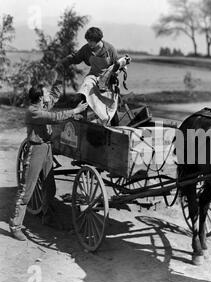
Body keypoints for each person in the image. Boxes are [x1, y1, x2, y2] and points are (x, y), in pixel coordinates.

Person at [9, 74, 88, 241]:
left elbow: (55, 94)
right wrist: (75, 111)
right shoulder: (33, 112)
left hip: (46, 149)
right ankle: (15, 226)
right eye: (44, 93)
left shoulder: (43, 104)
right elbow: (54, 117)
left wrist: (61, 74)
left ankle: (47, 217)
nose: (47, 96)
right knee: (26, 191)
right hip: (35, 150)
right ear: (39, 97)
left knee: (49, 187)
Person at [58, 27, 129, 126]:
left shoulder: (110, 49)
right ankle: (82, 122)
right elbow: (75, 58)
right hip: (93, 75)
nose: (89, 43)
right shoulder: (86, 49)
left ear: (98, 40)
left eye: (91, 41)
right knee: (84, 91)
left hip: (108, 78)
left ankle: (115, 127)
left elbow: (119, 65)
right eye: (87, 41)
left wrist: (117, 71)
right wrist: (63, 62)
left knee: (112, 104)